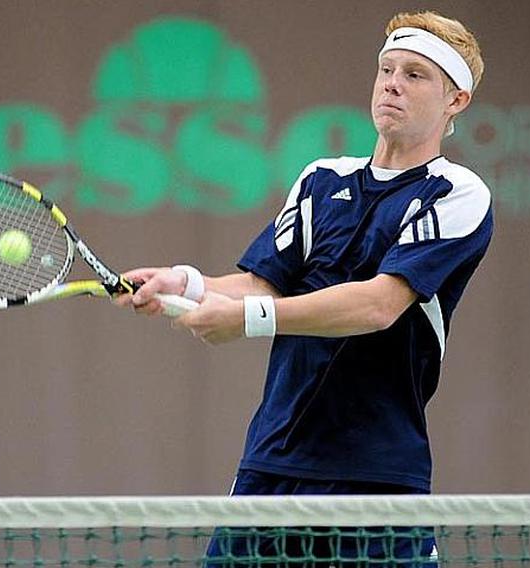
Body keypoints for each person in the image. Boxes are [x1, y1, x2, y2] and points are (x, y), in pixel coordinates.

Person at [116, 10, 492, 566]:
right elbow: (259, 285)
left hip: (377, 477)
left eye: (415, 75)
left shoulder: (457, 193)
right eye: (386, 69)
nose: (392, 83)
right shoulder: (322, 179)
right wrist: (187, 283)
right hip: (272, 466)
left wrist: (245, 320)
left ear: (455, 100)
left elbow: (378, 305)